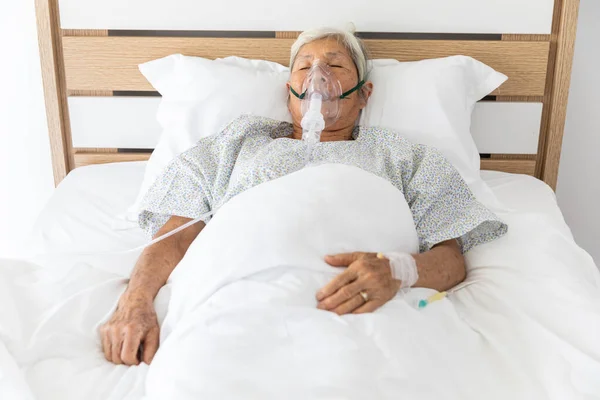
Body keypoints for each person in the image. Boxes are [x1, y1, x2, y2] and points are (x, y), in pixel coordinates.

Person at [100, 27, 507, 366]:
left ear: (365, 94)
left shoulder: (405, 155)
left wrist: (397, 271)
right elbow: (176, 233)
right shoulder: (238, 142)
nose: (318, 76)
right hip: (240, 295)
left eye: (334, 65)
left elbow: (451, 260)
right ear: (288, 90)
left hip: (360, 302)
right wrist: (136, 300)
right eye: (305, 67)